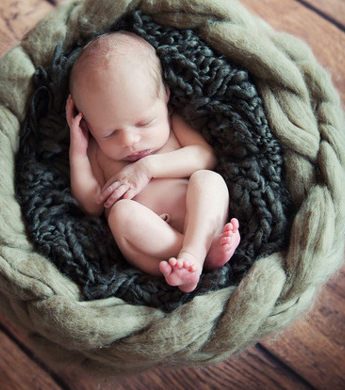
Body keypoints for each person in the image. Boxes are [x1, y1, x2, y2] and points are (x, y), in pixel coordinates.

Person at [66, 31, 240, 293]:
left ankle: (194, 251)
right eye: (110, 132)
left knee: (208, 180)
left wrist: (147, 167)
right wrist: (78, 153)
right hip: (153, 251)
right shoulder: (97, 153)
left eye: (144, 123)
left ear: (165, 97)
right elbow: (92, 205)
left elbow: (204, 156)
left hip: (200, 220)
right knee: (120, 214)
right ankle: (198, 254)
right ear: (88, 125)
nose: (131, 140)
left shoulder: (173, 125)